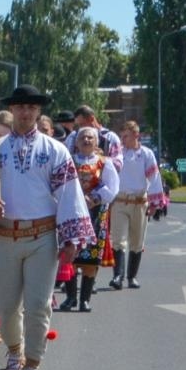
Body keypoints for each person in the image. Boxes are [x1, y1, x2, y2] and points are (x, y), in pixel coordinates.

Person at [0, 85, 94, 370]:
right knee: (7, 308)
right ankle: (14, 351)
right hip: (5, 236)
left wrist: (70, 239)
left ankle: (31, 366)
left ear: (38, 112)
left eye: (31, 107)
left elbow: (68, 196)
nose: (25, 112)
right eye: (20, 107)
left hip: (42, 238)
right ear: (13, 111)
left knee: (38, 305)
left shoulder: (55, 151)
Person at [60, 125, 119, 313]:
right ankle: (70, 297)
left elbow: (112, 187)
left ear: (96, 142)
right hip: (72, 213)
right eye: (83, 138)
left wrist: (94, 198)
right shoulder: (68, 161)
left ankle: (84, 299)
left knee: (90, 258)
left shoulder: (104, 162)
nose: (86, 140)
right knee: (70, 255)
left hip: (95, 214)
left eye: (90, 138)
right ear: (76, 142)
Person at [108, 121, 165, 289]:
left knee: (137, 241)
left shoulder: (146, 154)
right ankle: (118, 276)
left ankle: (132, 276)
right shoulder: (118, 154)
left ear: (135, 135)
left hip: (139, 202)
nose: (122, 140)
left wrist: (155, 202)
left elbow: (154, 178)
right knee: (118, 240)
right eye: (121, 136)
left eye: (126, 136)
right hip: (120, 201)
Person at [67, 104, 123, 169]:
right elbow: (66, 162)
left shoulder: (111, 137)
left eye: (82, 124)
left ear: (92, 119)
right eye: (78, 125)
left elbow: (118, 165)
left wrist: (99, 158)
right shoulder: (73, 137)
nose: (80, 128)